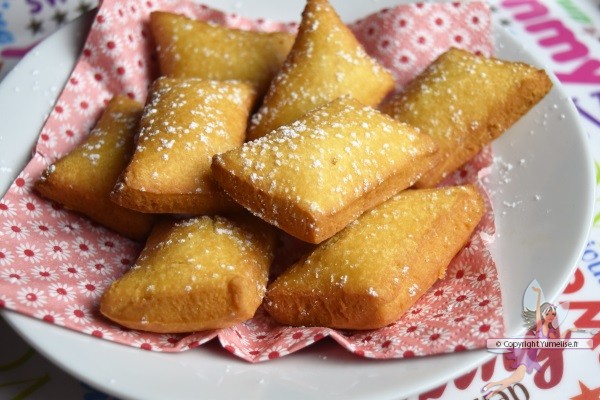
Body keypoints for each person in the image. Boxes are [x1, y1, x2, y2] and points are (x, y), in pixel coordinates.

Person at [481, 287, 578, 399]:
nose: (550, 317)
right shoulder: (539, 326)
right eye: (548, 314)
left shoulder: (550, 332)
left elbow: (557, 342)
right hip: (527, 354)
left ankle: (490, 390)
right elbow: (537, 309)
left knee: (515, 378)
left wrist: (569, 330)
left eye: (553, 315)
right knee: (516, 378)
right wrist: (537, 295)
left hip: (532, 356)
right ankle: (490, 390)